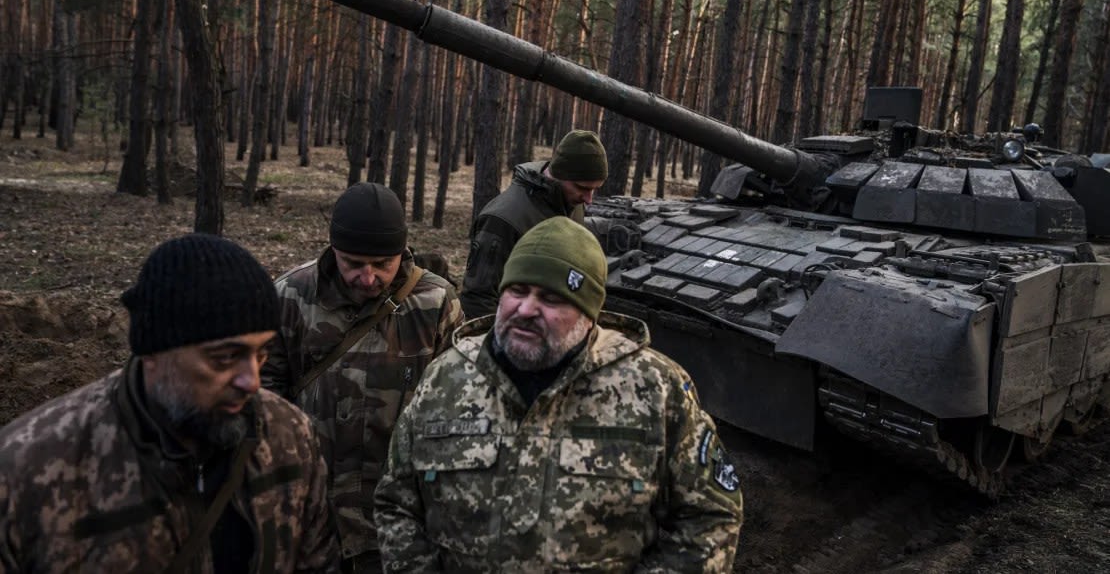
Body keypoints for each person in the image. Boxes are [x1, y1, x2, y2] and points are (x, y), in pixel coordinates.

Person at [375, 217, 744, 572]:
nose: (526, 309)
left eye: (551, 298)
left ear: (589, 315)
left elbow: (711, 516)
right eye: (517, 291)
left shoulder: (654, 388)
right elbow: (397, 502)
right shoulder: (446, 378)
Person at [0, 233, 340, 573]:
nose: (251, 381)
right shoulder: (29, 471)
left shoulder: (289, 436)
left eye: (261, 353)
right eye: (223, 359)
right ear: (154, 351)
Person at [262, 182, 464, 572]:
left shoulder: (436, 302)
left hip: (396, 514)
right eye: (353, 263)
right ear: (332, 250)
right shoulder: (289, 296)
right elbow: (266, 398)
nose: (368, 278)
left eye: (382, 265)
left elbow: (454, 405)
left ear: (402, 252)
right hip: (311, 509)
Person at [459, 129, 608, 318]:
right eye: (582, 188)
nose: (589, 199)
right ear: (558, 174)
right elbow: (478, 300)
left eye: (595, 189)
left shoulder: (570, 201)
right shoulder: (503, 219)